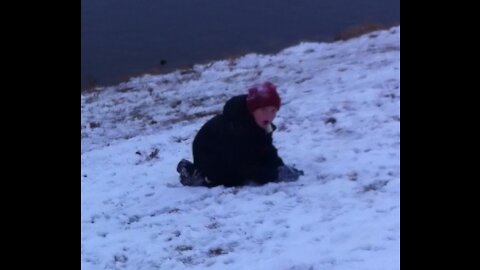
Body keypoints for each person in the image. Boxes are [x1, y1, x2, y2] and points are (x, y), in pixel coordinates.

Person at [176, 81, 303, 187]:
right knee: (234, 179)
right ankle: (196, 173)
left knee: (259, 160)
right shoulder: (235, 127)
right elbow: (244, 166)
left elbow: (267, 149)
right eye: (263, 110)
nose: (268, 116)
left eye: (273, 110)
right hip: (213, 156)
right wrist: (274, 175)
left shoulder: (264, 123)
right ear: (253, 109)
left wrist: (280, 166)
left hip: (236, 154)